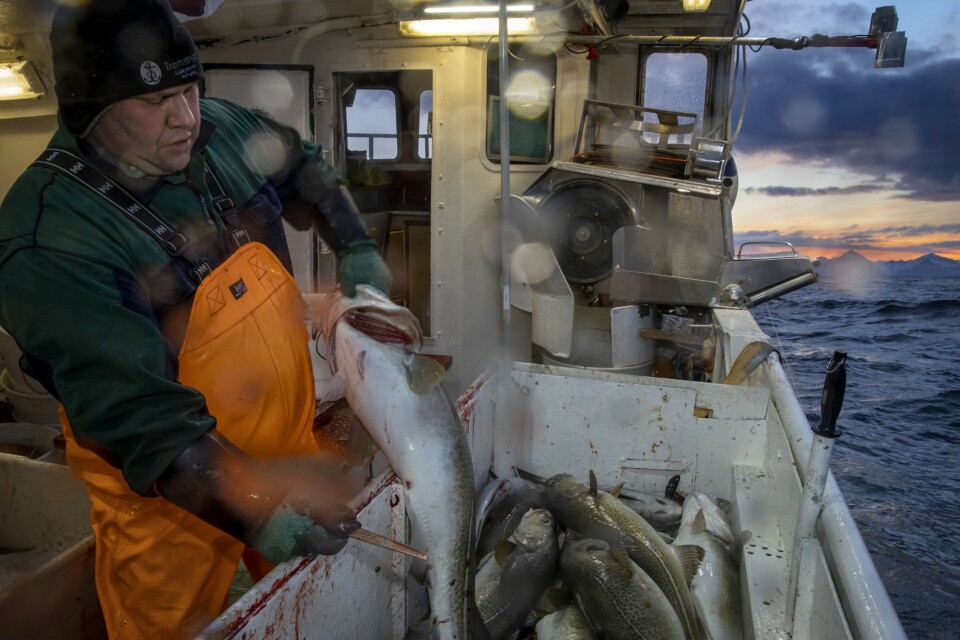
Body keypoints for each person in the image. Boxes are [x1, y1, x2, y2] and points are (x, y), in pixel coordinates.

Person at [0, 0, 392, 637]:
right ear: (89, 110)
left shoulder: (221, 130)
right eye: (156, 103)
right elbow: (140, 421)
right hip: (168, 498)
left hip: (285, 448)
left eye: (191, 90)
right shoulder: (49, 237)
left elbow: (303, 165)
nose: (185, 119)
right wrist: (256, 508)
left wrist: (355, 244)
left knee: (320, 609)